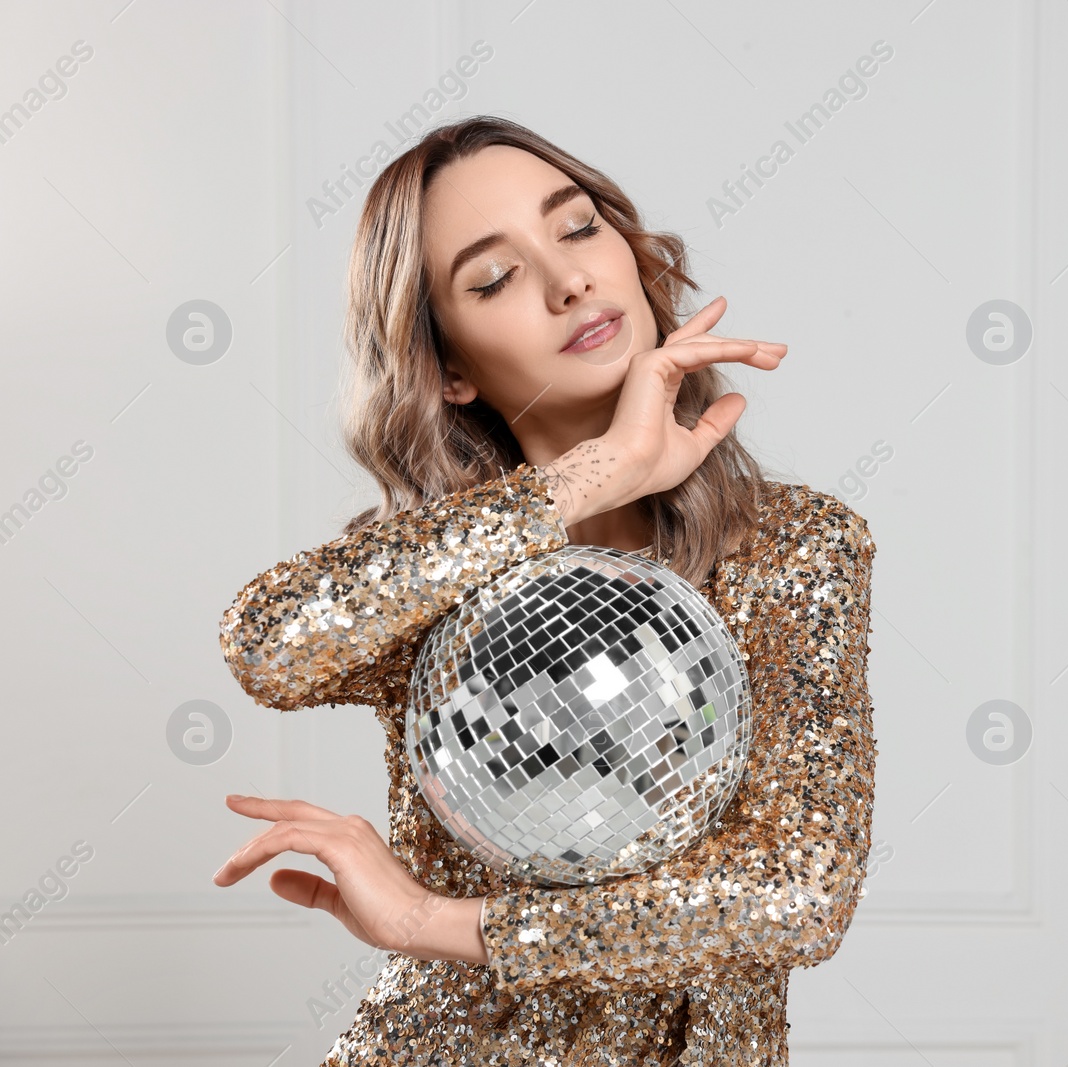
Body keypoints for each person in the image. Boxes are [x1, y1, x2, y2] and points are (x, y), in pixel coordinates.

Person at [211, 116, 878, 1065]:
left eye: (576, 229)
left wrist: (426, 920)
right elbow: (268, 646)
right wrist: (590, 477)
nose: (570, 281)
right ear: (448, 370)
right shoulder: (439, 570)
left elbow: (793, 894)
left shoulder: (794, 546)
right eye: (493, 278)